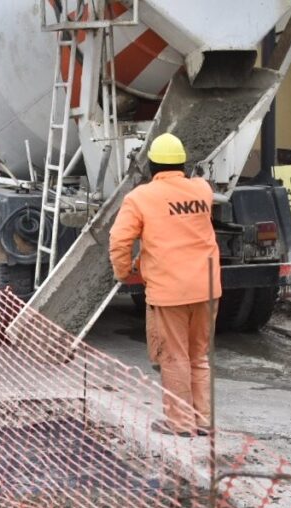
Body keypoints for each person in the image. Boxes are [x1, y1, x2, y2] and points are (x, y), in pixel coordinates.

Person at [109, 133, 222, 438]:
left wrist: (123, 272)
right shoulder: (202, 190)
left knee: (174, 357)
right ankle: (202, 421)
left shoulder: (141, 197)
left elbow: (119, 240)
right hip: (208, 287)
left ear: (152, 166)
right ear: (183, 163)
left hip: (170, 291)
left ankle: (180, 424)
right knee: (199, 356)